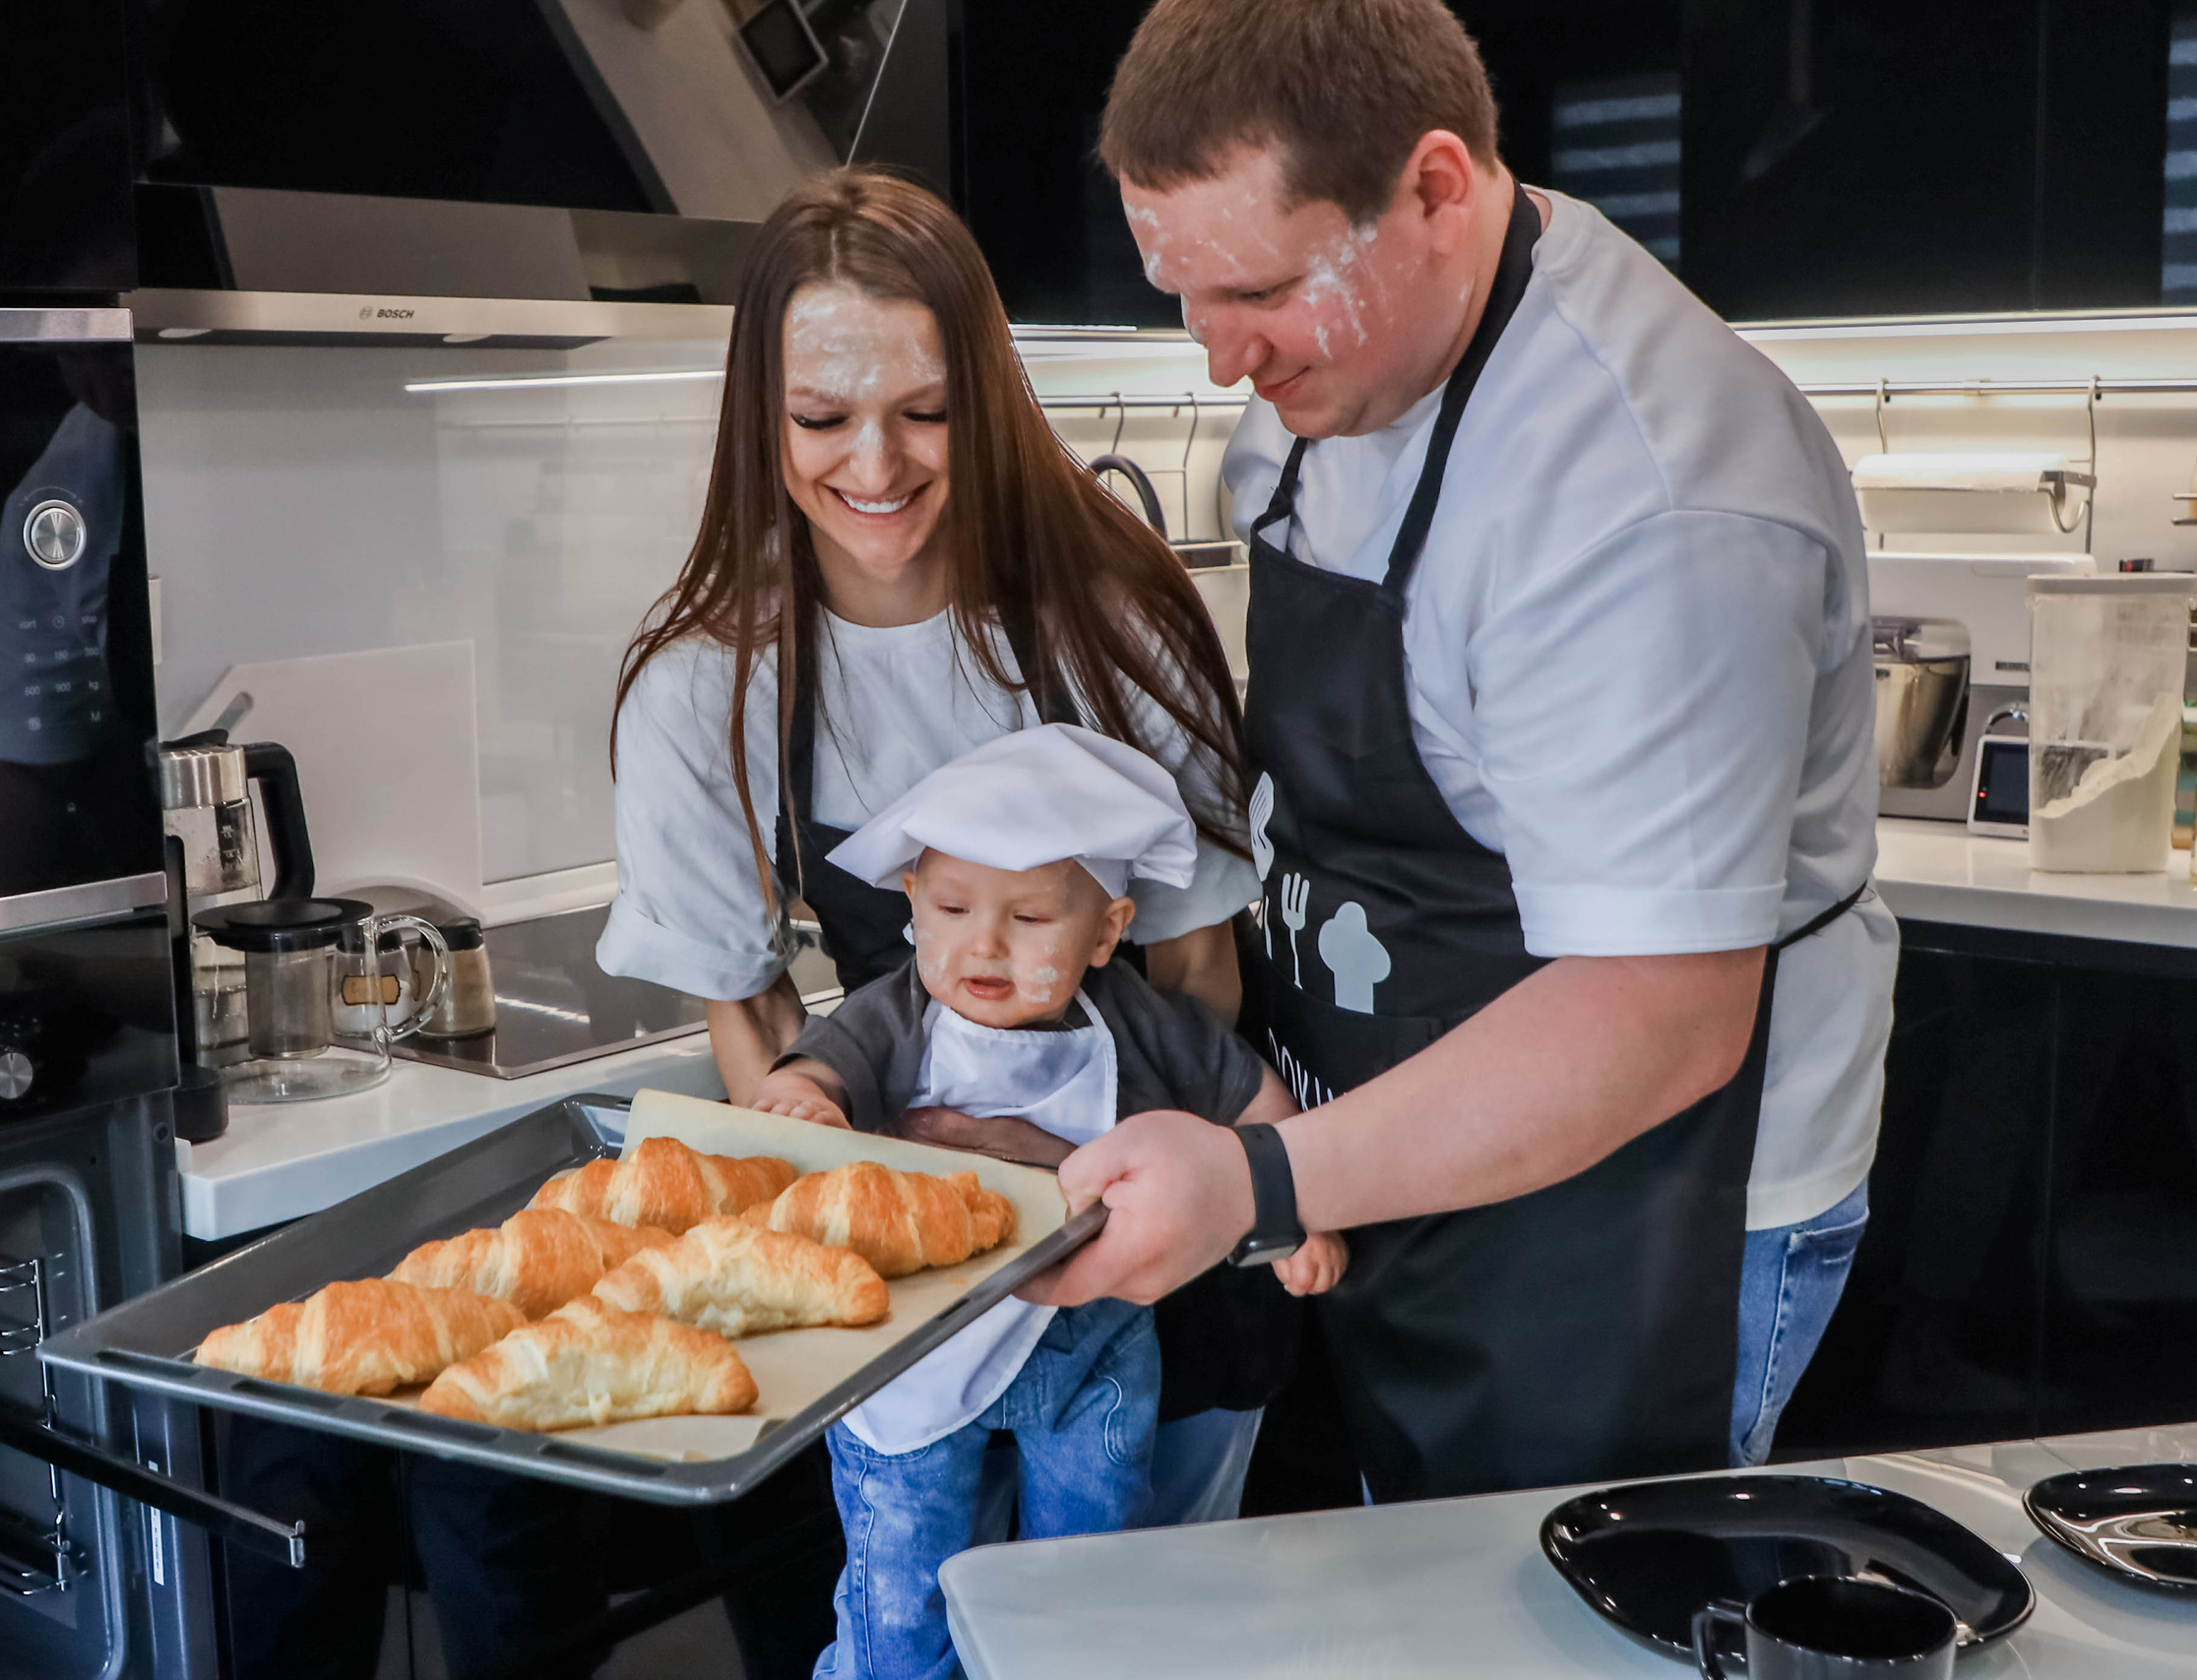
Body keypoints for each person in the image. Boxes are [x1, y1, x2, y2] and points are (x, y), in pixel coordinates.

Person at [1027, 0, 1897, 1499]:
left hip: (1641, 1209)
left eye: (1256, 291)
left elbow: (1659, 1013)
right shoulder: (1337, 366)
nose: (1223, 358)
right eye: (1184, 293)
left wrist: (1261, 1178)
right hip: (1398, 1149)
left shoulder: (1649, 494)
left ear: (1434, 188)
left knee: (1579, 1630)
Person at [596, 168, 1277, 1519]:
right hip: (902, 1297)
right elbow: (749, 1009)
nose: (876, 463)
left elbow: (1199, 963)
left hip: (1150, 1248)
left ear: (989, 400)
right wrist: (880, 1209)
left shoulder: (1112, 620)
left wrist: (1118, 1207)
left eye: (925, 413)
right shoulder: (706, 689)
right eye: (820, 417)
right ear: (760, 419)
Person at [743, 724, 1341, 1680]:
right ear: (911, 903)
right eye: (951, 906)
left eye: (1029, 920)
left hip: (1089, 1348)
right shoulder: (896, 1014)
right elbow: (821, 1068)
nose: (983, 942)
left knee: (1089, 1584)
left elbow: (1252, 1108)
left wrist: (1289, 1212)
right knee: (899, 1595)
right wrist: (802, 1098)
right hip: (916, 1352)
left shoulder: (1143, 1025)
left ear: (1107, 930)